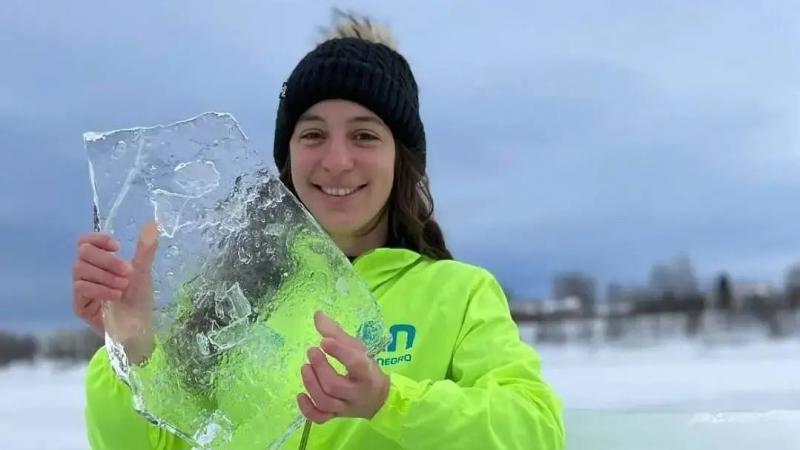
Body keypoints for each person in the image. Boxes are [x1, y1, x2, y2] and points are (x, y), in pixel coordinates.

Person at [73, 11, 565, 450]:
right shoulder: (225, 303)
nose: (336, 161)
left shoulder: (459, 295)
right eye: (312, 134)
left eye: (364, 135)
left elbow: (536, 431)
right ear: (287, 159)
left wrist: (389, 400)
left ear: (402, 160)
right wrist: (132, 348)